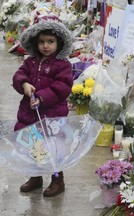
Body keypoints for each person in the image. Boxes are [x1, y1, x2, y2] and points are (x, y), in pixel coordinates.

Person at [12, 15, 73, 197]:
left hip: (52, 116)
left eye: (50, 41)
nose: (45, 46)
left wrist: (41, 97)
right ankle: (35, 177)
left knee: (53, 148)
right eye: (41, 42)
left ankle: (57, 179)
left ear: (59, 42)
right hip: (29, 114)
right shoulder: (30, 62)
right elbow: (18, 75)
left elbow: (62, 87)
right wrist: (23, 84)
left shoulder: (63, 65)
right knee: (33, 146)